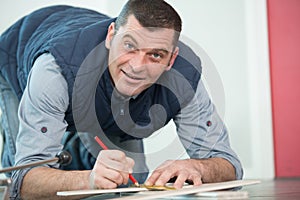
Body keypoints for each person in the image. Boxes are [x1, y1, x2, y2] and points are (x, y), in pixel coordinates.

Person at [0, 0, 243, 199]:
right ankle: (77, 149)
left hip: (98, 98)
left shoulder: (184, 79)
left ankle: (78, 148)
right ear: (111, 36)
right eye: (129, 46)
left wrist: (198, 167)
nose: (137, 67)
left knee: (128, 185)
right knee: (19, 186)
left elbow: (230, 165)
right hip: (17, 55)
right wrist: (89, 179)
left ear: (171, 60)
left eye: (155, 55)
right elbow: (25, 180)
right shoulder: (54, 71)